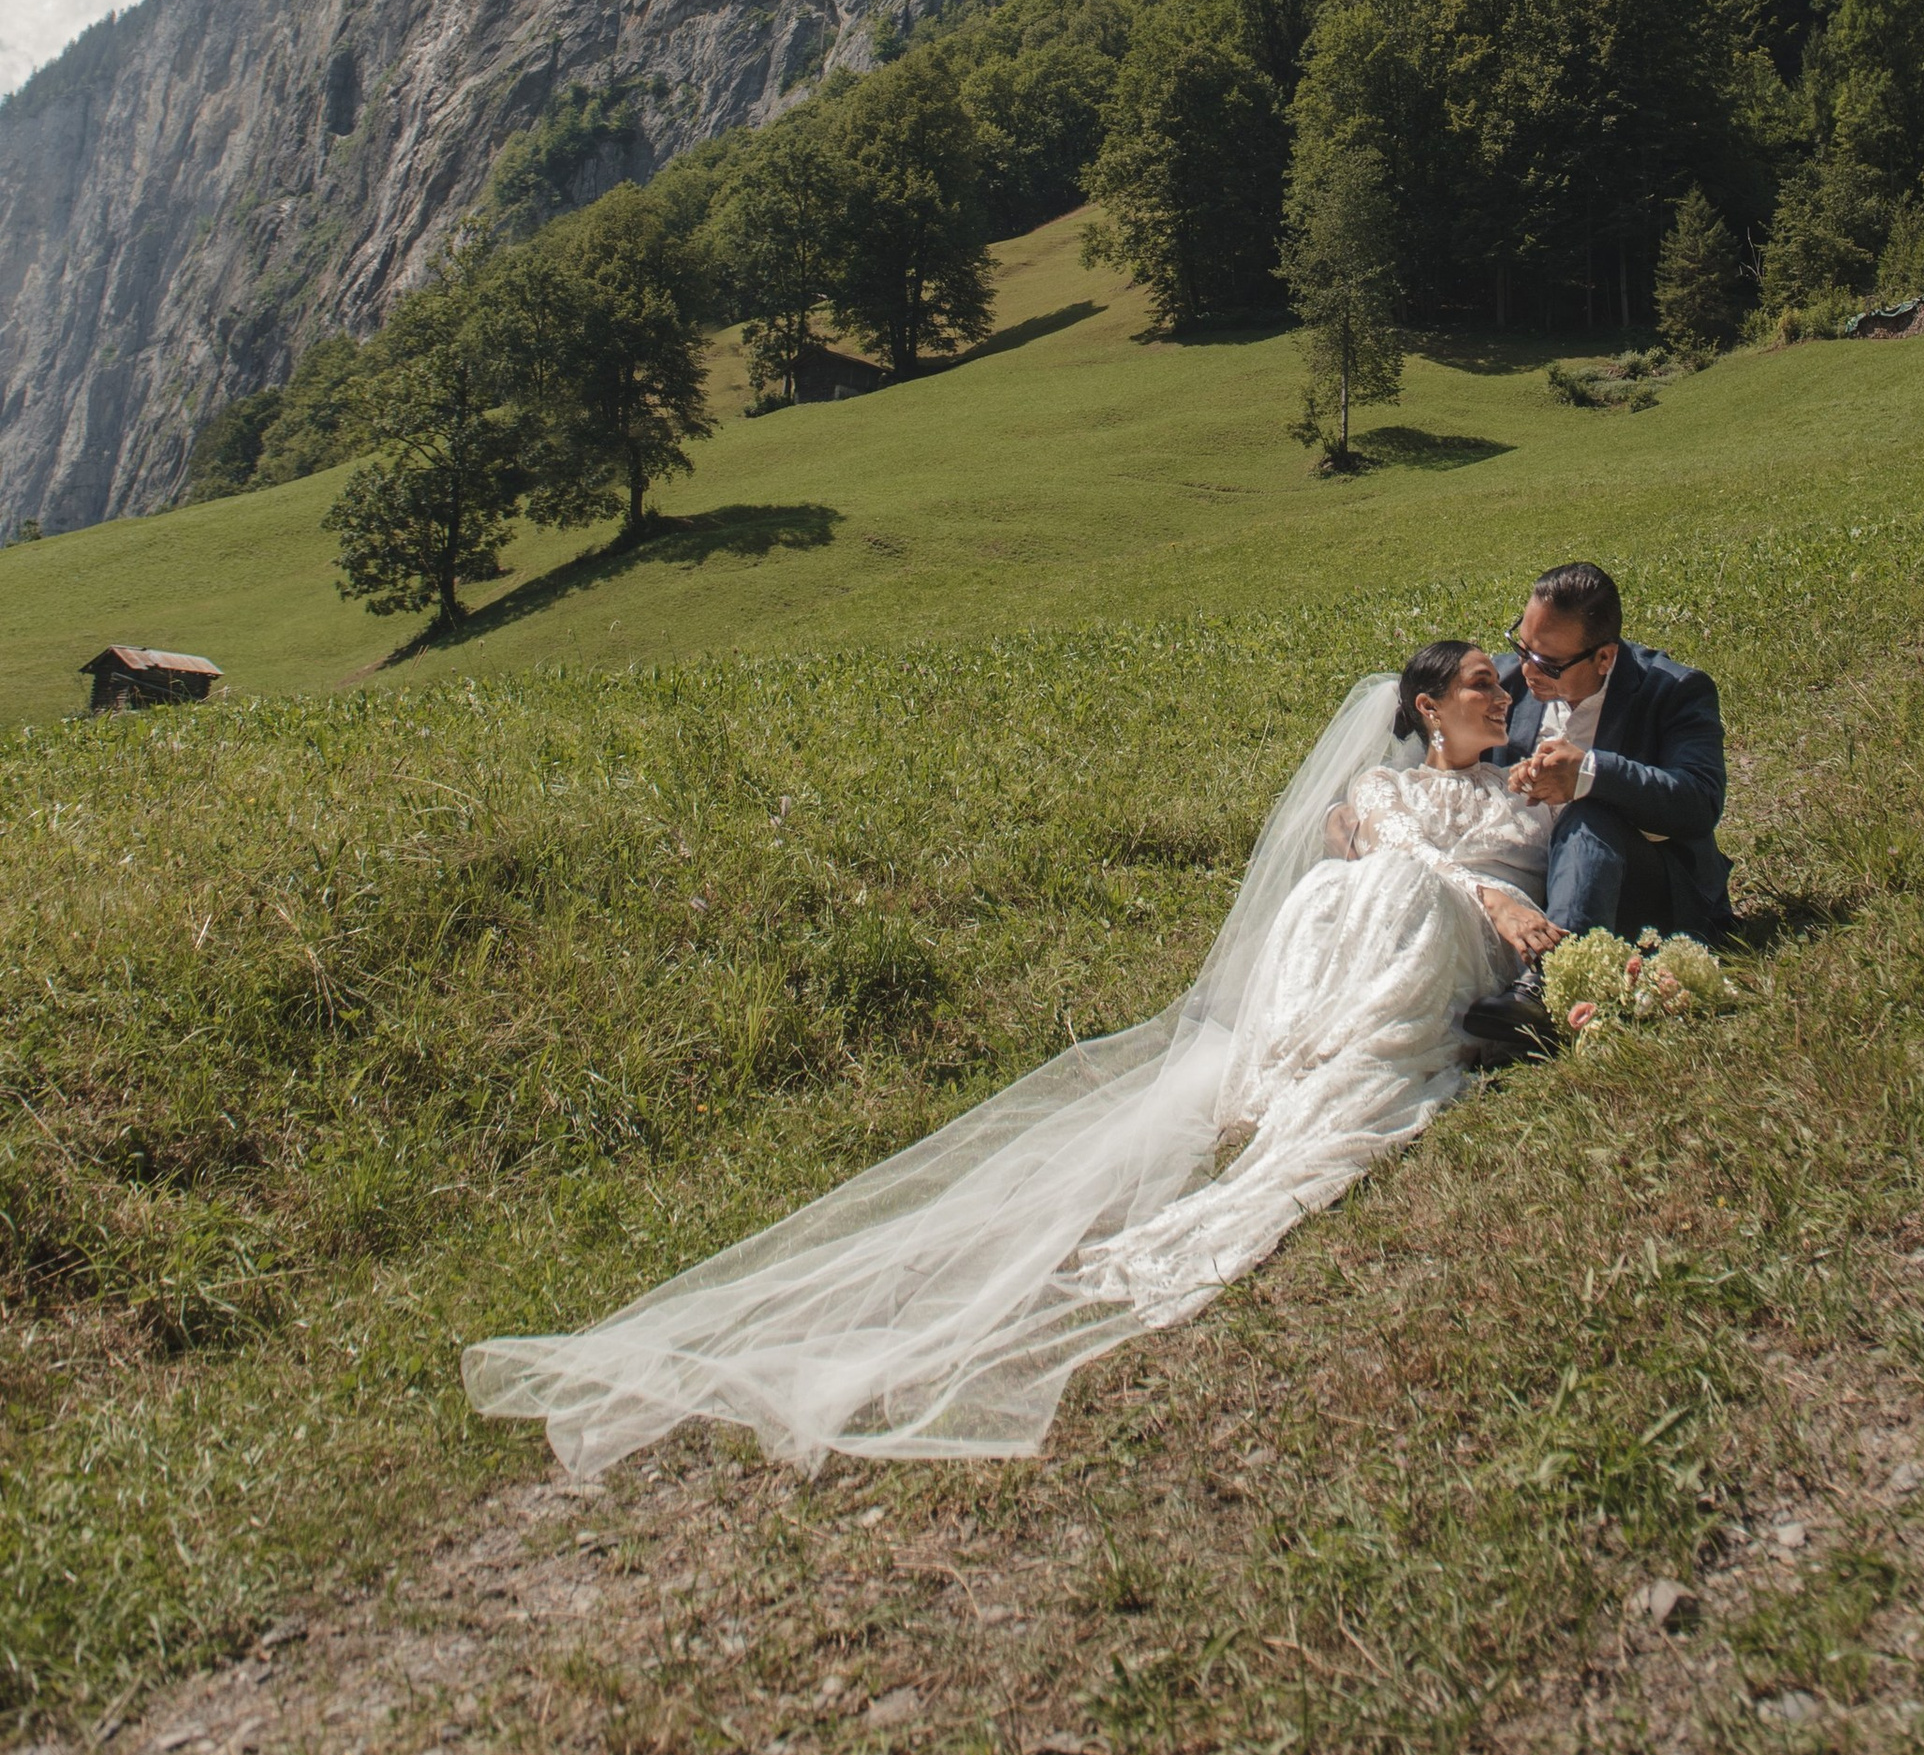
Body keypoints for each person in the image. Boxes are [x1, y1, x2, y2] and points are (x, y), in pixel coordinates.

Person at [462, 642, 1563, 1481]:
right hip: (1408, 926)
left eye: (1500, 681)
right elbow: (1399, 851)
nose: (1500, 692)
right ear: (1425, 709)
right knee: (1375, 881)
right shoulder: (1377, 793)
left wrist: (1506, 873)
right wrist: (1496, 891)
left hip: (1447, 947)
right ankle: (1315, 1053)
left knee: (1399, 892)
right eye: (1478, 681)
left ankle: (1346, 1058)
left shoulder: (1524, 784)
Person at [1500, 561, 1732, 945]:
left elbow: (1700, 802)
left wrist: (1590, 775)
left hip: (1647, 894)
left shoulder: (1674, 690)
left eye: (1548, 664)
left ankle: (1553, 977)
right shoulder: (1504, 683)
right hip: (1527, 883)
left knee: (1588, 815)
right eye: (1522, 647)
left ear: (1604, 658)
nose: (1527, 670)